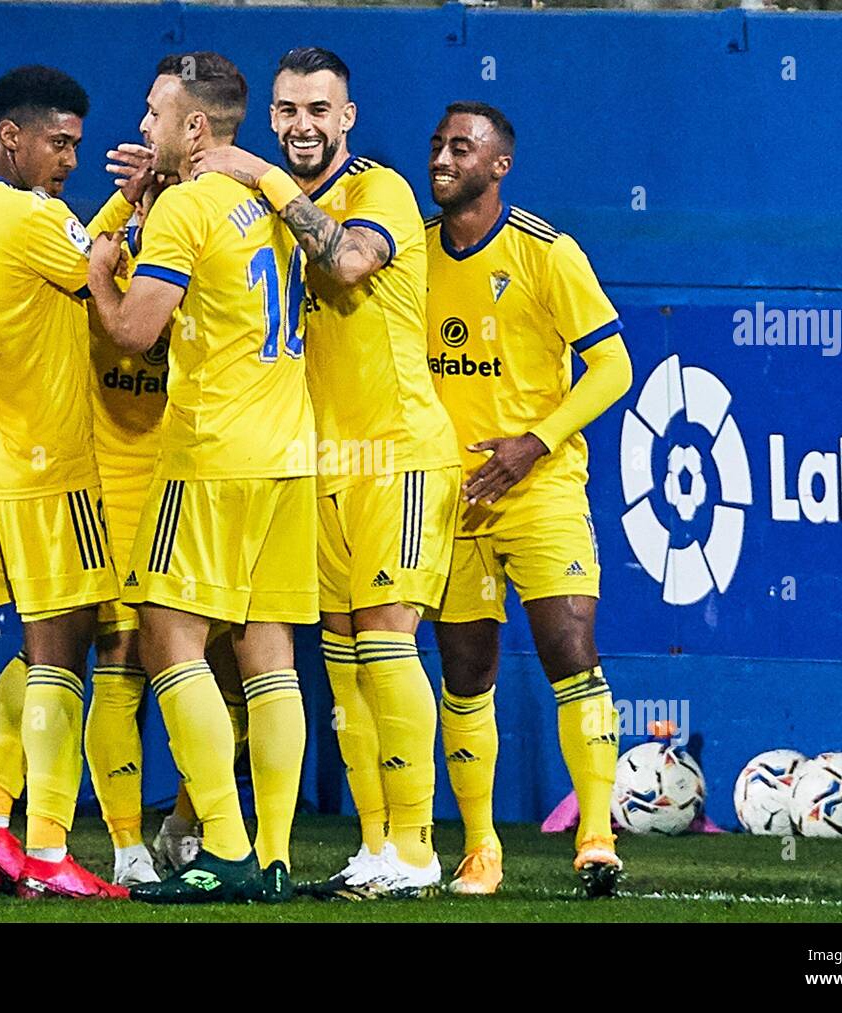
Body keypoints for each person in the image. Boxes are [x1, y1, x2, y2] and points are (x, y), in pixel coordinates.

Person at [191, 46, 460, 899]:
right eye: (287, 111)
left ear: (346, 117)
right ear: (271, 115)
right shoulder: (267, 203)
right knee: (343, 659)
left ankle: (417, 847)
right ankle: (376, 846)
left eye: (318, 110)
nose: (302, 125)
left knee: (385, 644)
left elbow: (345, 263)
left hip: (398, 454)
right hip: (320, 463)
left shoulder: (379, 188)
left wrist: (266, 180)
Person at [88, 51, 317, 903]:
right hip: (290, 453)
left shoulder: (189, 205)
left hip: (212, 452)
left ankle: (220, 842)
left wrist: (100, 279)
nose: (143, 128)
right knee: (270, 660)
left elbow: (137, 332)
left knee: (167, 636)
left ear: (194, 125)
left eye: (155, 114)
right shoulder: (272, 199)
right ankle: (273, 855)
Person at [424, 102, 632, 897]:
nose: (444, 157)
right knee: (465, 665)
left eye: (462, 147)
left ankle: (596, 833)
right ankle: (480, 847)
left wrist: (533, 443)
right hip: (452, 494)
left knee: (569, 646)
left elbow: (612, 366)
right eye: (438, 143)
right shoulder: (411, 251)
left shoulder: (547, 251)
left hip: (538, 484)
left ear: (498, 165)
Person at [0, 66, 124, 900]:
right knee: (65, 657)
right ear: (12, 136)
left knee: (41, 650)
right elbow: (103, 272)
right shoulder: (36, 217)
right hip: (49, 465)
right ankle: (47, 848)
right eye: (60, 143)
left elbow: (66, 250)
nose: (71, 160)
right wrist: (138, 208)